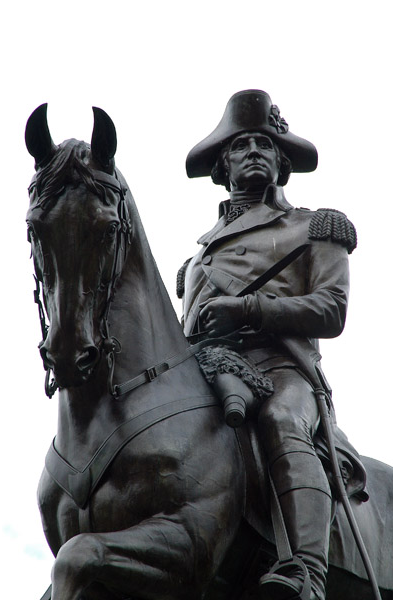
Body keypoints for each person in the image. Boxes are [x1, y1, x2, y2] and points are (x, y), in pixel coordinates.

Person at [178, 90, 364, 600]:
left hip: (283, 367)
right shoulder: (194, 261)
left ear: (281, 162)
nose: (254, 151)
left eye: (265, 144)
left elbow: (332, 310)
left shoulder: (315, 226)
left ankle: (305, 570)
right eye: (242, 146)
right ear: (224, 165)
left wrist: (251, 309)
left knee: (282, 419)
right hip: (204, 368)